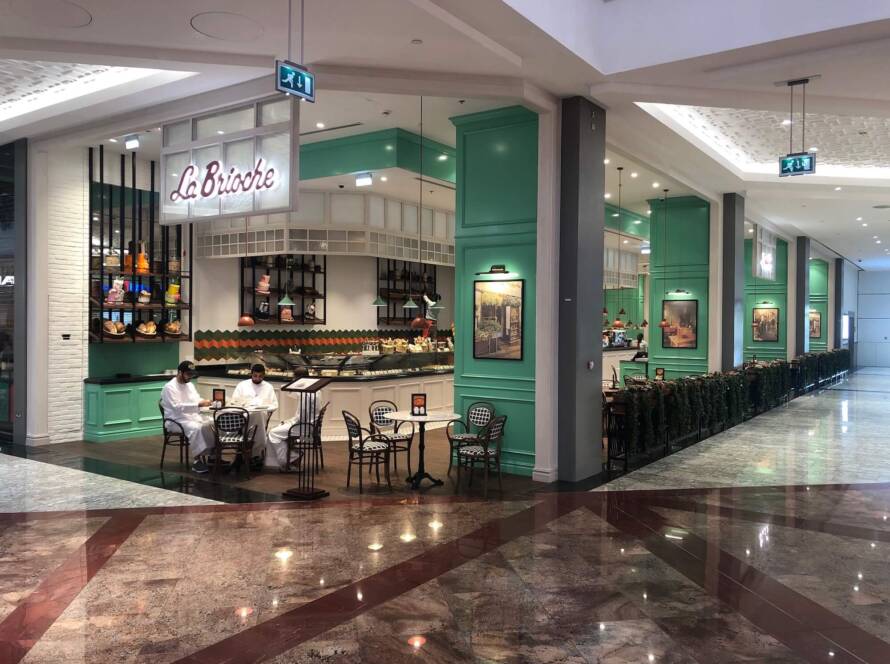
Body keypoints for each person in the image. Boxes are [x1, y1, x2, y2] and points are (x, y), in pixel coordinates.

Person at [160, 361, 213, 474]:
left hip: (191, 416)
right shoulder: (169, 387)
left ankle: (212, 456)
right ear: (180, 372)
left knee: (212, 424)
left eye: (192, 374)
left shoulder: (190, 385)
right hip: (175, 420)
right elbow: (177, 407)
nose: (190, 377)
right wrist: (198, 404)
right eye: (188, 374)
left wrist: (206, 402)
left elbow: (196, 399)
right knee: (196, 428)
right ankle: (197, 461)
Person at [267, 391, 319, 470]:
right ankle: (291, 457)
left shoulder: (306, 395)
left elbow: (302, 418)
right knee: (278, 430)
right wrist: (289, 421)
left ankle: (290, 459)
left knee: (273, 433)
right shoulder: (316, 392)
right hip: (310, 428)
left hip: (305, 432)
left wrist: (289, 422)